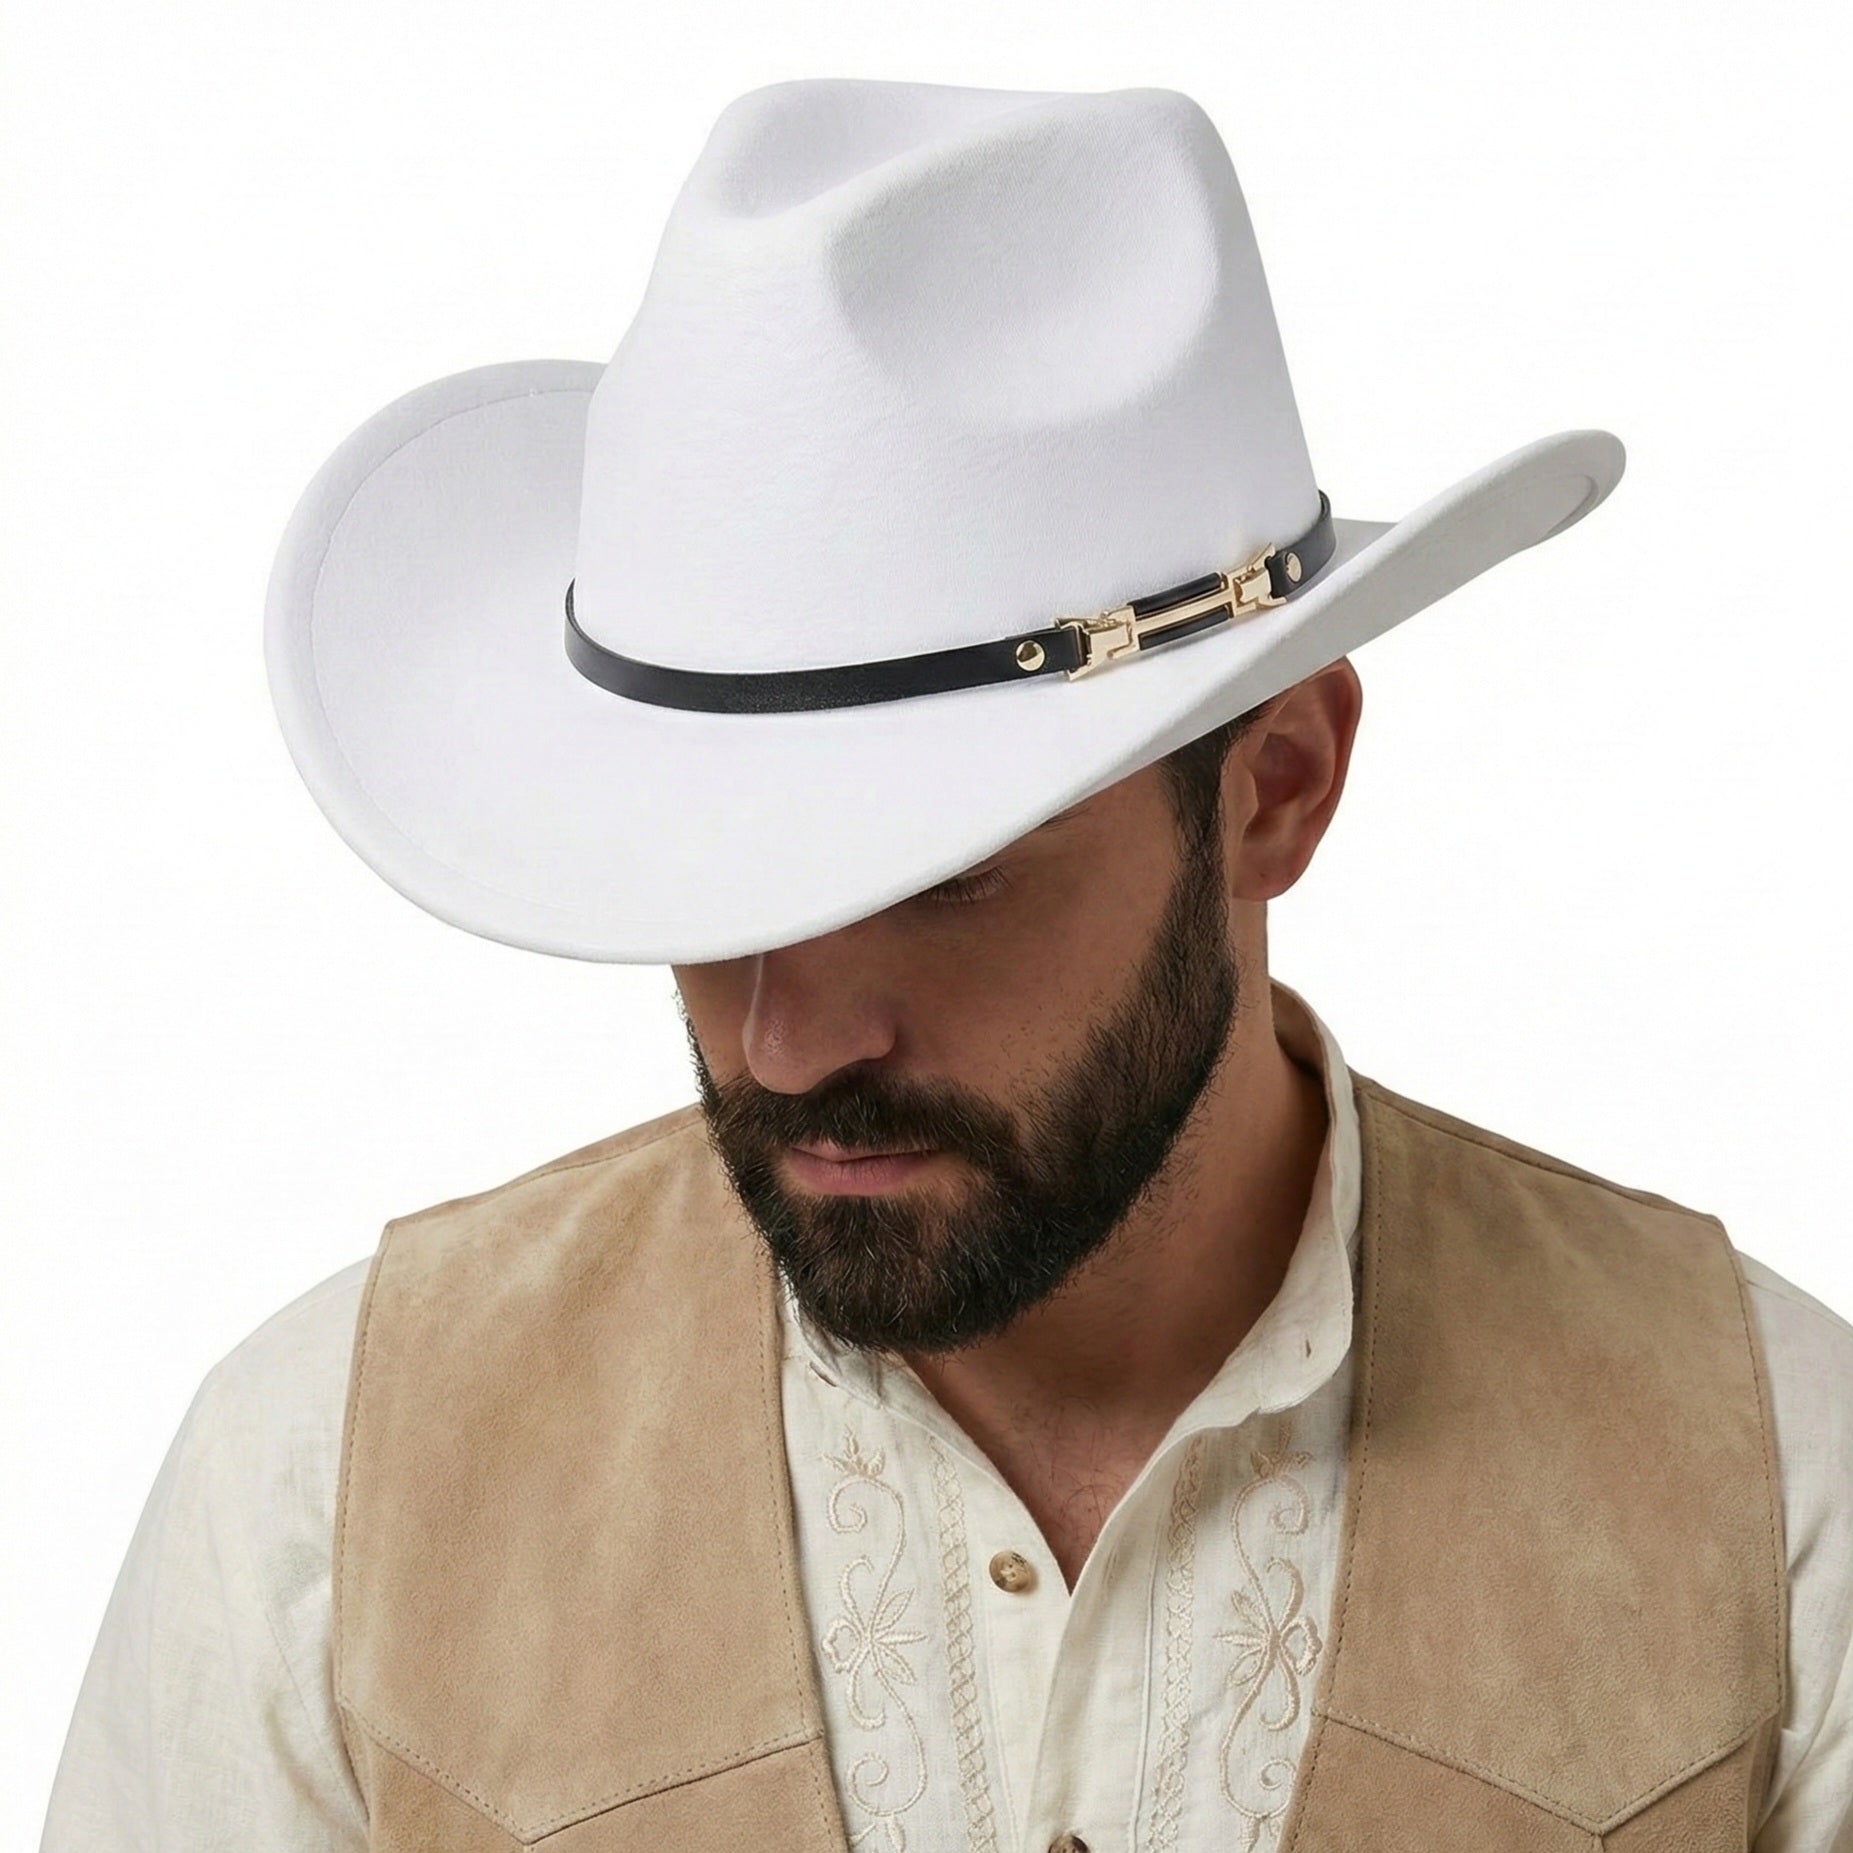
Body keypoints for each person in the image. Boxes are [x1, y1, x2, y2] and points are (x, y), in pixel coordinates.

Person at [38, 77, 1852, 1853]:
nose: (785, 1041)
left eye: (941, 878)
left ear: (1275, 789)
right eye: (706, 886)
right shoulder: (326, 1492)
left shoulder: (1778, 1492)